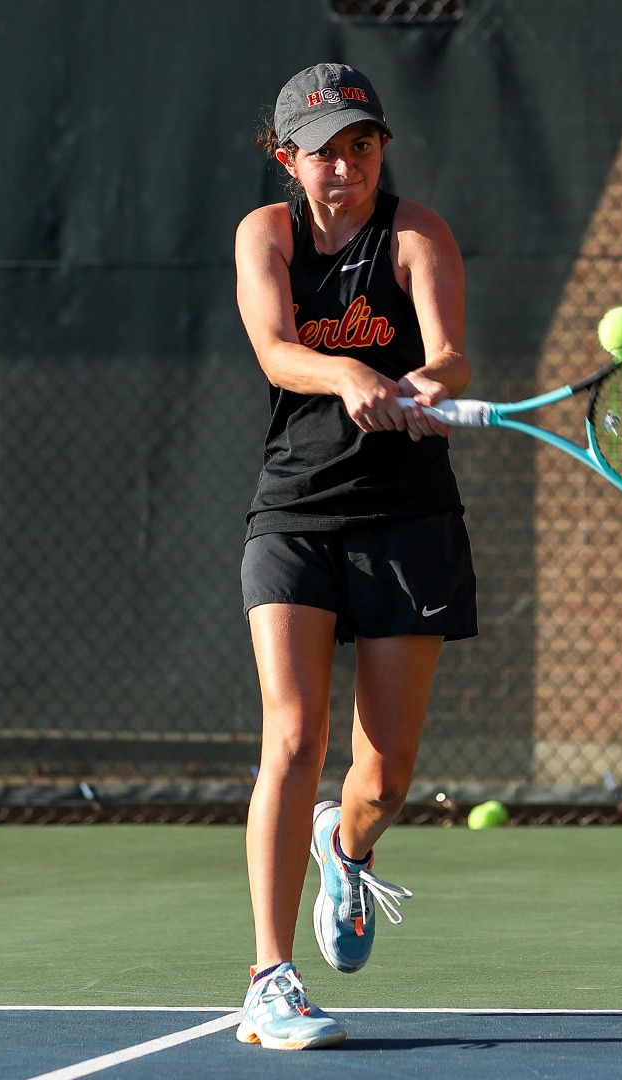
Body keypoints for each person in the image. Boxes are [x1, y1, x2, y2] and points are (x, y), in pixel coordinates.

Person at [231, 62, 475, 1051]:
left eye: (361, 145)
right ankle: (269, 976)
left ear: (381, 149)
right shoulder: (268, 235)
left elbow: (455, 356)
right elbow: (277, 350)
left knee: (386, 776)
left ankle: (346, 842)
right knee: (291, 738)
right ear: (288, 159)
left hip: (408, 520)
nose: (345, 166)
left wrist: (419, 383)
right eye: (323, 150)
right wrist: (348, 376)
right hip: (294, 513)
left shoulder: (418, 234)